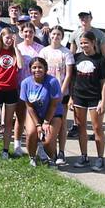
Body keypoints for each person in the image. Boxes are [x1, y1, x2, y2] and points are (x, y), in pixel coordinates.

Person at [71, 31, 105, 172]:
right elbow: (72, 80)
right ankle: (84, 156)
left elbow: (104, 83)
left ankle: (100, 158)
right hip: (79, 97)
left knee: (97, 128)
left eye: (86, 42)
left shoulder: (101, 60)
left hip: (94, 98)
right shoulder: (76, 58)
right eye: (81, 43)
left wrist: (103, 101)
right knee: (81, 127)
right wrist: (71, 98)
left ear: (93, 43)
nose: (83, 45)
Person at [0, 28, 24, 160]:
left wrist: (16, 48)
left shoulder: (15, 52)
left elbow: (21, 65)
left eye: (11, 38)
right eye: (6, 38)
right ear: (1, 38)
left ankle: (6, 150)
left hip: (11, 90)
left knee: (8, 123)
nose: (8, 40)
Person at [38, 26, 75, 165]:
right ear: (50, 36)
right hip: (46, 93)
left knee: (62, 122)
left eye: (58, 34)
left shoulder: (66, 53)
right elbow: (39, 71)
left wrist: (61, 92)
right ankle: (44, 150)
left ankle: (61, 152)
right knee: (44, 121)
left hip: (61, 93)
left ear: (62, 36)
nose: (55, 36)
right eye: (53, 34)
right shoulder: (44, 51)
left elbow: (69, 74)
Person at [20, 57, 63, 167]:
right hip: (34, 112)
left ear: (45, 69)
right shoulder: (25, 83)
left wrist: (46, 122)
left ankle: (52, 158)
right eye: (34, 67)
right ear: (30, 69)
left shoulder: (52, 82)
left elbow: (53, 105)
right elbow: (29, 106)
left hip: (53, 114)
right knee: (31, 133)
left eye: (40, 67)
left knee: (47, 141)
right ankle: (32, 158)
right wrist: (38, 124)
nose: (37, 70)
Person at [13, 22, 44, 158]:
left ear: (34, 33)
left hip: (37, 89)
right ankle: (17, 145)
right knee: (20, 117)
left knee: (37, 119)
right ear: (21, 33)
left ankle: (39, 146)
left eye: (30, 32)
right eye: (25, 32)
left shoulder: (40, 49)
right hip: (20, 87)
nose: (28, 34)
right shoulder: (17, 47)